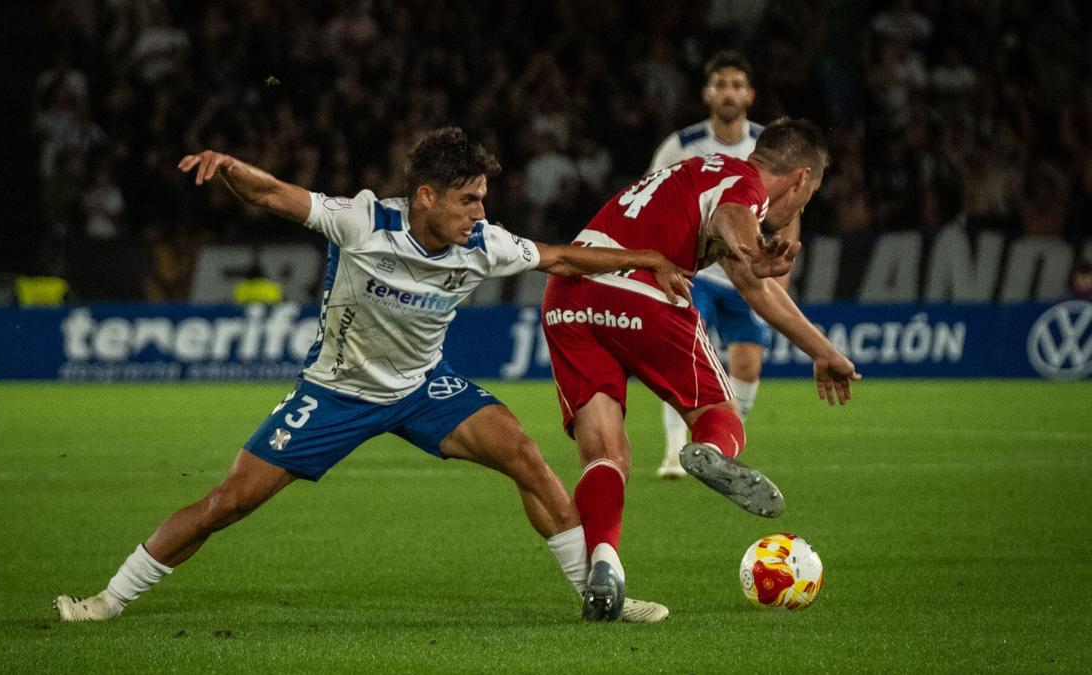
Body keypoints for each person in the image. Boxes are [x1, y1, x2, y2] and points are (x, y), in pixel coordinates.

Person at [54, 128, 690, 624]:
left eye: (483, 200)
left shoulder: (484, 244)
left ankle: (597, 595)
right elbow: (275, 194)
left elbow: (562, 256)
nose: (480, 211)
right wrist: (229, 168)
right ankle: (107, 600)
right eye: (468, 199)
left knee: (525, 454)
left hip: (422, 389)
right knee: (227, 504)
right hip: (337, 392)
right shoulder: (363, 222)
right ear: (425, 197)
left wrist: (649, 259)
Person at [541, 118, 861, 620]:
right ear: (801, 179)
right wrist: (749, 247)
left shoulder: (694, 172)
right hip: (642, 289)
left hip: (568, 294)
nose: (804, 204)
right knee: (719, 409)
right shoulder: (744, 183)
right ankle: (709, 451)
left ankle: (604, 563)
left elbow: (754, 287)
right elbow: (734, 219)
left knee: (604, 452)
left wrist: (821, 350)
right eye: (811, 193)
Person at [647, 50, 802, 478]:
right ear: (706, 93)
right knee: (683, 360)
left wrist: (782, 270)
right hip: (695, 272)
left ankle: (726, 444)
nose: (728, 92)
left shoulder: (766, 147)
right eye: (721, 84)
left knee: (748, 363)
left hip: (747, 273)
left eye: (736, 84)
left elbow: (789, 208)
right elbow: (653, 198)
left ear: (750, 94)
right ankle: (675, 451)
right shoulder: (680, 145)